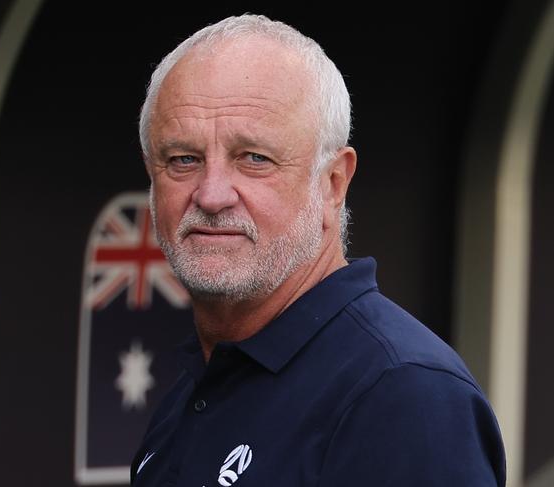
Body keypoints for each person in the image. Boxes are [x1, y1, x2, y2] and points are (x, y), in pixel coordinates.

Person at [131, 14, 506, 486]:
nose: (212, 194)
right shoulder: (201, 384)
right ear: (152, 176)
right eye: (184, 159)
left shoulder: (403, 396)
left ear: (333, 184)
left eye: (254, 159)